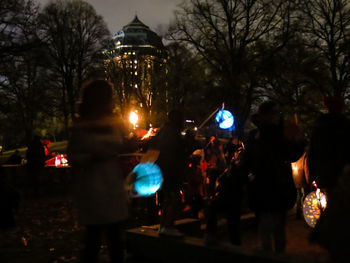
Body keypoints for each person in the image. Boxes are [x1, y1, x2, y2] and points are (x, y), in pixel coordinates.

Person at [68, 80, 129, 263]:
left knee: (116, 239)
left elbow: (120, 144)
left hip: (112, 186)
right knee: (93, 239)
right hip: (93, 188)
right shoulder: (81, 126)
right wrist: (92, 157)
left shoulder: (113, 122)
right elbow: (73, 156)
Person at [243, 101, 305, 253]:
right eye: (274, 113)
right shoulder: (271, 135)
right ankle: (273, 254)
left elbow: (291, 154)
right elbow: (291, 154)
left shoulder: (259, 135)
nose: (277, 116)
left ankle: (272, 254)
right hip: (272, 184)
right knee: (273, 224)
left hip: (269, 184)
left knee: (271, 224)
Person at [307, 96, 350, 262]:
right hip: (343, 173)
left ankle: (332, 241)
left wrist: (312, 174)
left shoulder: (320, 127)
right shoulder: (345, 126)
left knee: (332, 206)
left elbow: (312, 153)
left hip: (325, 174)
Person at [149, 109, 186, 237]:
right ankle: (168, 225)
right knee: (173, 198)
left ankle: (163, 225)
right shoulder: (172, 134)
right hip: (170, 171)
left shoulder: (163, 131)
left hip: (162, 170)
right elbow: (176, 152)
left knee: (167, 199)